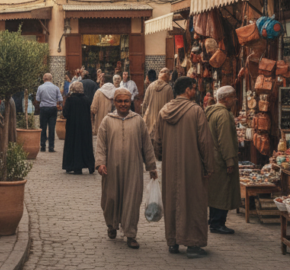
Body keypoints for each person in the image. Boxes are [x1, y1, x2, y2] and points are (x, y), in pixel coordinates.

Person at [153, 77, 217, 258]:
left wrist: (161, 156)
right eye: (193, 89)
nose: (195, 92)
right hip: (193, 166)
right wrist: (209, 166)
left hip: (170, 166)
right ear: (188, 90)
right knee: (193, 201)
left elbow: (157, 140)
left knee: (172, 200)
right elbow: (205, 142)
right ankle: (193, 244)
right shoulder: (196, 111)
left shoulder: (164, 111)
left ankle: (172, 241)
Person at [94, 88, 158, 249]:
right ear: (114, 102)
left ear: (130, 102)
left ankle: (130, 233)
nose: (123, 104)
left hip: (133, 168)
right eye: (120, 101)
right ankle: (111, 225)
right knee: (110, 199)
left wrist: (151, 166)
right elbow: (100, 144)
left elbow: (147, 146)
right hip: (111, 169)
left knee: (132, 200)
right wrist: (100, 163)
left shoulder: (138, 121)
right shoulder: (107, 121)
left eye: (126, 101)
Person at [205, 86, 241, 234]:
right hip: (220, 158)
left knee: (215, 191)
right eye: (233, 96)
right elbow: (225, 140)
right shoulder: (224, 115)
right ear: (225, 98)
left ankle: (213, 220)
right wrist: (230, 161)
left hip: (211, 157)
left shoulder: (211, 111)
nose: (235, 99)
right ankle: (217, 223)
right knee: (223, 190)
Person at [62, 81, 95, 174]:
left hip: (73, 126)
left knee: (73, 145)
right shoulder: (87, 100)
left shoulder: (70, 100)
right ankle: (90, 165)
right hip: (85, 126)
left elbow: (65, 114)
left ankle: (73, 165)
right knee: (86, 144)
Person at [141, 68, 174, 136]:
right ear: (168, 76)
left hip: (150, 124)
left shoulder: (150, 86)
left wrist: (145, 116)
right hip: (163, 126)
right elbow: (171, 108)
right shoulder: (168, 88)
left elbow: (144, 104)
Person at [35, 73, 63, 153]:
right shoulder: (56, 88)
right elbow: (60, 99)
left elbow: (37, 99)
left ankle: (43, 146)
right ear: (51, 79)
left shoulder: (40, 87)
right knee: (51, 128)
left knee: (43, 127)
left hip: (43, 108)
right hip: (53, 108)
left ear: (44, 79)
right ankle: (51, 147)